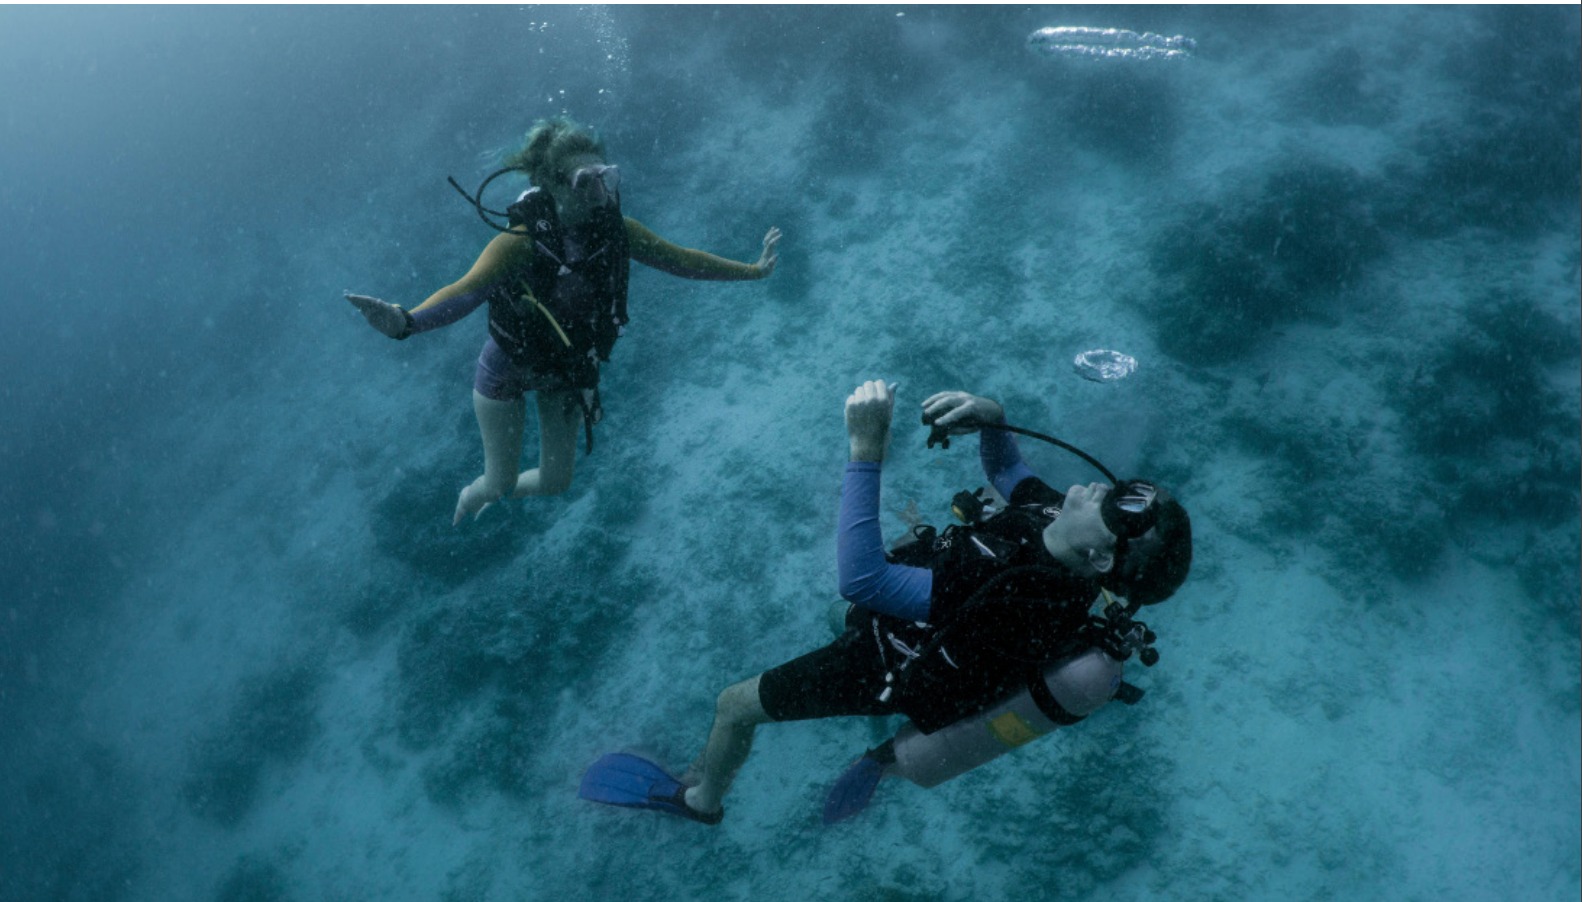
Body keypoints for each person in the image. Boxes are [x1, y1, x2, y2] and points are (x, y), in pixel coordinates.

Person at [577, 379, 1192, 825]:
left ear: (1103, 559)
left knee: (733, 705)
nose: (1100, 490)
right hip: (908, 622)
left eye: (1118, 508)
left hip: (889, 662)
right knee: (839, 621)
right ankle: (877, 753)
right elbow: (1011, 471)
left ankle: (699, 802)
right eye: (1123, 489)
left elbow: (863, 582)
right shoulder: (1058, 515)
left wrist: (865, 449)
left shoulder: (1016, 589)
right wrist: (992, 416)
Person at [347, 117, 781, 524]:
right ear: (551, 186)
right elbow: (467, 291)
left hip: (565, 369)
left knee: (557, 482)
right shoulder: (520, 242)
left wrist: (753, 270)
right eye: (585, 182)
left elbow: (682, 260)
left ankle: (494, 492)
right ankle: (476, 493)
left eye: (605, 177)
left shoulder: (618, 230)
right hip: (507, 368)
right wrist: (406, 322)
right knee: (500, 483)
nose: (599, 193)